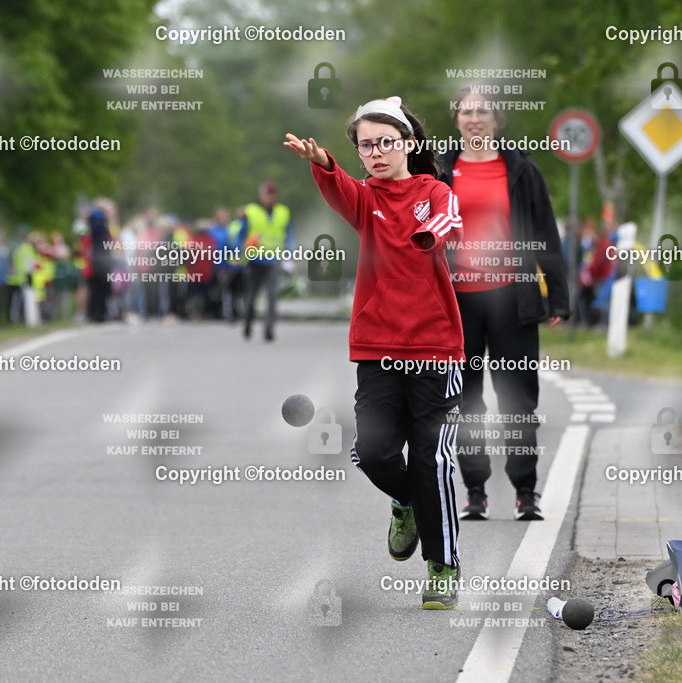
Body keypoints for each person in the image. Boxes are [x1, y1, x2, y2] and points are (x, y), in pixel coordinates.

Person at [284, 96, 465, 609]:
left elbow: (449, 219)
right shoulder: (366, 199)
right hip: (378, 345)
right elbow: (342, 189)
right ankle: (404, 500)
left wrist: (429, 234)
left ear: (408, 143)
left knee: (432, 461)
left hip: (434, 348)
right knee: (373, 452)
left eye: (386, 142)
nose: (378, 152)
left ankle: (443, 566)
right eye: (367, 146)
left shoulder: (435, 191)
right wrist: (324, 164)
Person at [439, 85, 571, 522]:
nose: (474, 119)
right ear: (456, 119)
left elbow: (546, 232)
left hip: (513, 301)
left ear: (497, 119)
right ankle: (474, 490)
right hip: (458, 304)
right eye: (466, 112)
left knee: (517, 399)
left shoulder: (521, 170)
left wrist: (558, 293)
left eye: (483, 111)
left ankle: (525, 491)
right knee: (465, 400)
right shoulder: (442, 170)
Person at [237, 181, 294, 341]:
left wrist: (291, 254)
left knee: (272, 296)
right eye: (268, 194)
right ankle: (247, 323)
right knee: (251, 297)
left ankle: (269, 329)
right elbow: (241, 235)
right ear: (261, 195)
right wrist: (237, 253)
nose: (270, 197)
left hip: (273, 261)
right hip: (254, 260)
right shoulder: (251, 211)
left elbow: (289, 234)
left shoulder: (283, 212)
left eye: (273, 194)